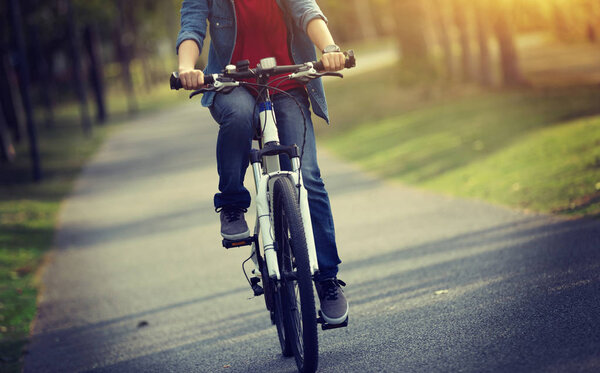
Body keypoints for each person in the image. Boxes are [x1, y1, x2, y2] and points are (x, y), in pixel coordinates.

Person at [176, 0, 348, 325]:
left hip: (288, 83)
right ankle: (231, 203)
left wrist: (329, 47)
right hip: (233, 85)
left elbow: (306, 10)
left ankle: (326, 279)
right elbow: (192, 26)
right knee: (239, 115)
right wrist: (188, 67)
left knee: (307, 177)